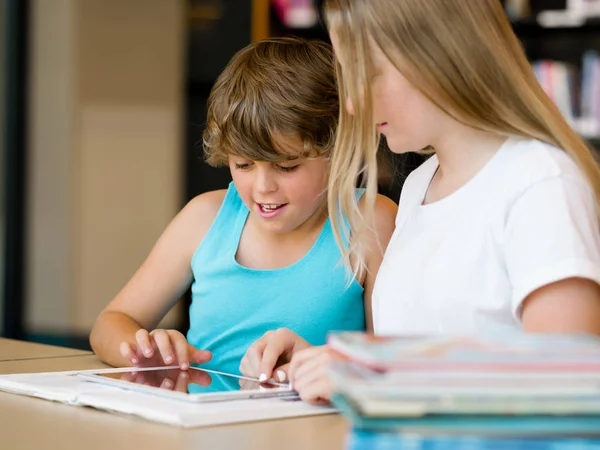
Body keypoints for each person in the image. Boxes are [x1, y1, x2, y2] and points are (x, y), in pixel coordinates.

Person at [240, 0, 600, 403]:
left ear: (437, 57)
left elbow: (565, 384)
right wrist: (329, 366)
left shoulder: (539, 181)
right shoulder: (419, 186)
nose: (353, 105)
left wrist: (372, 374)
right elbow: (416, 360)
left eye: (369, 76)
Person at [89, 37, 397, 378]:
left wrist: (334, 366)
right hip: (198, 426)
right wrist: (146, 350)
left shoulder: (369, 221)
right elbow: (109, 325)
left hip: (309, 428)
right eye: (244, 165)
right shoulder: (203, 218)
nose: (263, 187)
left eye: (286, 166)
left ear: (338, 150)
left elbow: (395, 356)